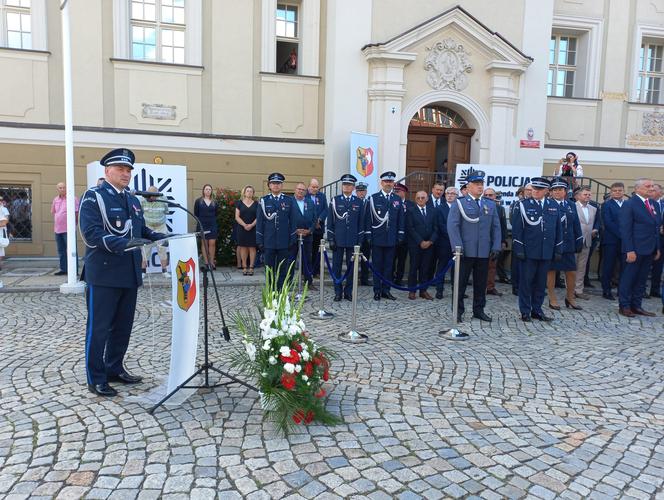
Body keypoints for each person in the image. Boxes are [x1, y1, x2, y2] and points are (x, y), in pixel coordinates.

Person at [79, 148, 167, 397]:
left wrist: (162, 237)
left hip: (129, 273)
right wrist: (124, 244)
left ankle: (113, 368)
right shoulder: (94, 197)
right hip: (104, 275)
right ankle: (95, 378)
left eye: (128, 170)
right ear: (107, 171)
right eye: (121, 169)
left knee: (123, 326)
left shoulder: (131, 199)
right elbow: (91, 234)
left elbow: (140, 230)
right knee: (99, 328)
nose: (126, 174)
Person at [447, 170, 501, 322]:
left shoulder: (489, 204)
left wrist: (496, 246)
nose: (480, 187)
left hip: (483, 251)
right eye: (476, 184)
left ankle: (479, 310)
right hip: (465, 251)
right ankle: (457, 311)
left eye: (481, 184)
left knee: (480, 284)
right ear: (469, 186)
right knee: (460, 284)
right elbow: (453, 226)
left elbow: (496, 227)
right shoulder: (460, 203)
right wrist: (457, 247)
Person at [511, 177, 563, 322]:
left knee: (541, 284)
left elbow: (558, 228)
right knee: (526, 283)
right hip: (528, 251)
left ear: (547, 191)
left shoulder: (553, 205)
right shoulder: (523, 205)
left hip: (546, 251)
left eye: (539, 189)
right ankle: (525, 311)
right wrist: (519, 248)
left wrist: (558, 249)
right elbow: (517, 229)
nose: (535, 191)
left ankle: (537, 310)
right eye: (534, 189)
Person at [617, 178, 661, 317]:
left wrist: (657, 248)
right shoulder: (629, 204)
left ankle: (636, 305)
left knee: (642, 279)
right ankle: (624, 306)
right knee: (628, 278)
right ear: (637, 189)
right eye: (648, 186)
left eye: (652, 186)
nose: (651, 188)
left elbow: (655, 228)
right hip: (634, 249)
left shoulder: (653, 204)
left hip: (649, 248)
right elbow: (625, 229)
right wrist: (629, 249)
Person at [363, 171, 404, 301]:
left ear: (393, 184)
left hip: (391, 238)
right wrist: (368, 234)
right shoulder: (373, 198)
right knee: (377, 265)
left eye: (391, 182)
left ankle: (386, 290)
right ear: (381, 183)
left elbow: (400, 219)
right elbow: (368, 218)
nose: (388, 184)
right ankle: (377, 290)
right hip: (377, 238)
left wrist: (400, 234)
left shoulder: (397, 199)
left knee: (389, 266)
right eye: (386, 181)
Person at [546, 178, 583, 311]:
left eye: (560, 189)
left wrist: (579, 239)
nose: (557, 192)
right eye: (554, 190)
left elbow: (576, 224)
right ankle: (552, 298)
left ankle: (570, 297)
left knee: (571, 271)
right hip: (553, 244)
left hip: (569, 243)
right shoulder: (547, 204)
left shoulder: (571, 205)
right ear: (550, 192)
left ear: (565, 191)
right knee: (551, 271)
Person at [256, 173, 297, 289]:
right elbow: (259, 222)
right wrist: (259, 241)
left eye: (278, 183)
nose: (276, 186)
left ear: (282, 185)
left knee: (283, 269)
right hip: (268, 241)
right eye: (273, 183)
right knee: (269, 269)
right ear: (269, 185)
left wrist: (292, 239)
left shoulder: (289, 200)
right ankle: (271, 292)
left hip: (284, 242)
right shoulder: (263, 201)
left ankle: (280, 292)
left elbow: (293, 221)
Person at [327, 174, 363, 301]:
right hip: (338, 239)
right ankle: (338, 291)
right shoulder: (335, 200)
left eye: (349, 185)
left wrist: (360, 241)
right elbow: (330, 221)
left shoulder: (358, 202)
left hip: (353, 241)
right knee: (336, 267)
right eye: (344, 184)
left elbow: (361, 223)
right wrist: (330, 238)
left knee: (352, 267)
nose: (346, 187)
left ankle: (348, 292)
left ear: (353, 187)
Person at [406, 191, 437, 300]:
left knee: (425, 268)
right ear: (415, 199)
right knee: (413, 268)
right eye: (418, 198)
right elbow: (410, 228)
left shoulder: (433, 210)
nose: (420, 199)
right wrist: (421, 242)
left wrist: (430, 241)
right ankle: (412, 291)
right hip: (415, 244)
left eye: (422, 197)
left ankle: (423, 290)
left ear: (427, 199)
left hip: (429, 245)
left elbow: (436, 228)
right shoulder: (410, 211)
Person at [600, 182, 625, 300]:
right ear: (611, 192)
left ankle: (622, 290)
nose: (617, 192)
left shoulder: (627, 204)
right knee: (608, 266)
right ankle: (606, 290)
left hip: (625, 241)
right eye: (615, 190)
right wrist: (622, 235)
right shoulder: (607, 205)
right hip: (611, 240)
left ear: (623, 191)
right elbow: (608, 223)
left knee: (624, 267)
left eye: (620, 190)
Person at [574, 186, 599, 300]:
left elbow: (596, 222)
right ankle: (570, 289)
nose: (587, 196)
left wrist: (595, 229)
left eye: (589, 194)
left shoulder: (593, 208)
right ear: (579, 196)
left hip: (587, 241)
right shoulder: (572, 207)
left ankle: (578, 290)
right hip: (575, 241)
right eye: (585, 194)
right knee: (572, 267)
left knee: (582, 267)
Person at [139, 186, 170, 278]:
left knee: (162, 249)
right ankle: (143, 272)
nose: (152, 197)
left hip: (161, 227)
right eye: (150, 195)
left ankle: (165, 271)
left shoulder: (163, 199)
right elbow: (139, 213)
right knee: (145, 249)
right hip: (147, 227)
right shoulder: (141, 200)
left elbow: (166, 211)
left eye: (154, 196)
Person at [51, 182, 80, 276]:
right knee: (61, 250)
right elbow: (54, 212)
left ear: (67, 188)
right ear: (57, 189)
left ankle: (74, 270)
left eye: (63, 187)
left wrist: (74, 224)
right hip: (58, 229)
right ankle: (63, 269)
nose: (62, 189)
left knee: (72, 250)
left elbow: (77, 213)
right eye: (60, 188)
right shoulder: (55, 199)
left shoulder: (73, 198)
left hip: (69, 229)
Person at [432, 186, 456, 299]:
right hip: (444, 243)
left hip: (457, 244)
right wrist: (452, 235)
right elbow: (440, 225)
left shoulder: (459, 208)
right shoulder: (439, 208)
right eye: (448, 193)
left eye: (452, 194)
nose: (450, 195)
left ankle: (456, 290)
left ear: (456, 196)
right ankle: (439, 290)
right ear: (445, 195)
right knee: (441, 267)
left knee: (456, 268)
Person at [292, 182, 316, 287]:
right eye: (299, 189)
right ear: (295, 190)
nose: (301, 191)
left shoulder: (310, 202)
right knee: (291, 260)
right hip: (292, 235)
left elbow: (315, 218)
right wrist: (294, 230)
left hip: (307, 235)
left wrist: (310, 230)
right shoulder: (289, 202)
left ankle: (308, 282)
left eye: (303, 189)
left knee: (307, 259)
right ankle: (288, 282)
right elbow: (286, 219)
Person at [482, 188, 505, 297]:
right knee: (480, 267)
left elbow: (502, 226)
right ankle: (481, 287)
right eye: (485, 195)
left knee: (492, 266)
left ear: (495, 196)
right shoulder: (479, 206)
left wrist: (502, 241)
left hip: (494, 242)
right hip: (482, 242)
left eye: (490, 195)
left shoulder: (500, 209)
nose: (488, 197)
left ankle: (490, 287)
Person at [193, 184, 219, 269]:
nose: (208, 191)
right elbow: (196, 213)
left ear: (211, 191)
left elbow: (216, 213)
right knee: (204, 243)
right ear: (203, 191)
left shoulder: (215, 201)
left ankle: (212, 262)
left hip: (212, 224)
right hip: (202, 224)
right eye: (206, 189)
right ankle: (207, 263)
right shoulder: (198, 201)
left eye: (209, 189)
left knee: (212, 243)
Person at [392, 182, 412, 286]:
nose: (396, 193)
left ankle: (399, 279)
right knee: (391, 259)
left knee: (402, 260)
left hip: (405, 238)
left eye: (398, 191)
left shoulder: (410, 205)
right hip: (393, 237)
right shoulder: (392, 202)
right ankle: (389, 278)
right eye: (395, 191)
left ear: (404, 192)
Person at [235, 185, 258, 276]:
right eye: (247, 191)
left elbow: (258, 217)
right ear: (244, 193)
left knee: (252, 247)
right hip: (242, 228)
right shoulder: (239, 203)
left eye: (251, 191)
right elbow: (237, 217)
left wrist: (252, 225)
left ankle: (251, 267)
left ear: (253, 193)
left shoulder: (256, 204)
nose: (249, 192)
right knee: (243, 247)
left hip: (253, 228)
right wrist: (244, 225)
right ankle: (244, 267)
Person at [308, 179, 327, 277]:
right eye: (313, 187)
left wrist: (319, 219)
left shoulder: (322, 196)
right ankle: (306, 271)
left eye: (317, 187)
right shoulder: (305, 196)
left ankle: (316, 271)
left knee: (317, 251)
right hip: (308, 228)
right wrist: (313, 222)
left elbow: (325, 209)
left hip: (319, 228)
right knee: (307, 251)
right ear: (309, 186)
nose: (315, 189)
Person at [647, 183, 664, 297]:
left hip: (661, 240)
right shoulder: (646, 204)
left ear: (661, 193)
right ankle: (642, 289)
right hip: (649, 239)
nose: (651, 192)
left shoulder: (661, 204)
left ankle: (655, 289)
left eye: (654, 190)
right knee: (646, 265)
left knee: (658, 266)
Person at [355, 182, 371, 286]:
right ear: (356, 192)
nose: (361, 193)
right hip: (355, 235)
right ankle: (353, 278)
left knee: (365, 258)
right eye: (359, 191)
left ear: (366, 192)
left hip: (366, 235)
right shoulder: (353, 202)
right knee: (353, 257)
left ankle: (364, 279)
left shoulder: (369, 203)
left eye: (363, 191)